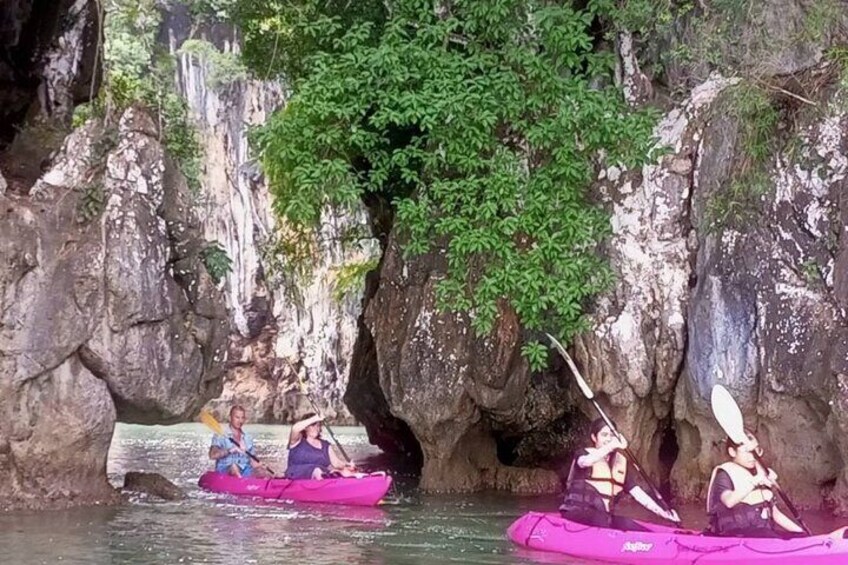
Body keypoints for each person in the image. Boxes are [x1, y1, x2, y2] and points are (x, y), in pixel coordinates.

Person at [559, 417, 680, 531]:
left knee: (629, 525)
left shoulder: (620, 463)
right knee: (600, 520)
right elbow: (584, 462)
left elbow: (638, 494)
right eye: (604, 435)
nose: (608, 439)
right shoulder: (583, 454)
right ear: (594, 437)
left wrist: (663, 514)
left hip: (603, 516)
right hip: (576, 513)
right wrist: (611, 445)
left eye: (612, 435)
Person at [706, 431, 805, 538]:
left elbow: (776, 515)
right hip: (732, 535)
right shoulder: (724, 474)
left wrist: (802, 534)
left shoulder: (759, 473)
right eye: (747, 452)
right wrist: (755, 481)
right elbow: (729, 501)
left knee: (795, 536)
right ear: (732, 452)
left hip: (760, 534)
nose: (753, 456)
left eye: (756, 451)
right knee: (766, 534)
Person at [285, 413, 356, 480]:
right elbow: (295, 428)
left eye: (318, 425)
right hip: (296, 475)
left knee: (342, 471)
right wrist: (315, 418)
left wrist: (347, 465)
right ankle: (322, 477)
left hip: (321, 473)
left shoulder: (325, 445)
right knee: (317, 470)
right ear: (305, 428)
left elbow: (336, 463)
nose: (316, 428)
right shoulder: (297, 441)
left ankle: (330, 477)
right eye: (313, 425)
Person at [208, 406, 270, 478]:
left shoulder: (248, 438)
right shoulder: (220, 435)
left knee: (262, 471)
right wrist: (231, 450)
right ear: (230, 418)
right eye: (237, 417)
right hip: (226, 469)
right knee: (234, 467)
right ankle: (240, 482)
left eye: (242, 418)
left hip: (245, 469)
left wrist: (259, 465)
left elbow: (252, 461)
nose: (240, 421)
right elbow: (212, 455)